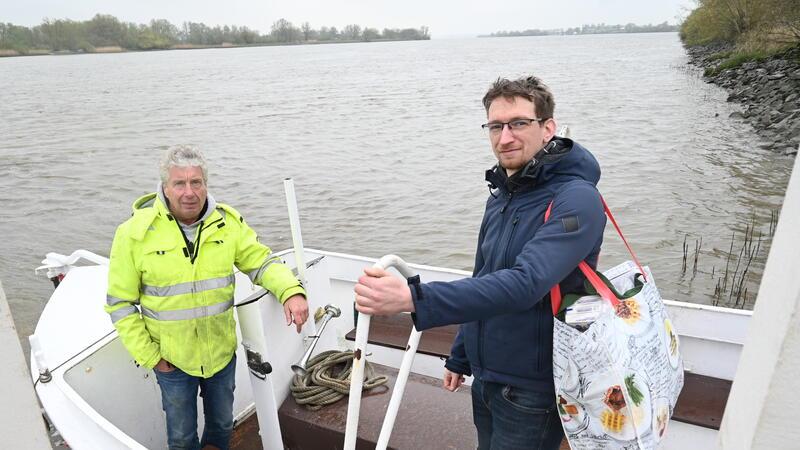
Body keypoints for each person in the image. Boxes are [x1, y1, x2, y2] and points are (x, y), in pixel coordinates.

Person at [354, 76, 606, 449]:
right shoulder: (504, 193)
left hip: (534, 388)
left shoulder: (578, 199)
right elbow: (485, 274)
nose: (505, 138)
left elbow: (526, 283)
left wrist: (413, 298)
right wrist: (461, 354)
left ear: (548, 128)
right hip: (488, 377)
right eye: (496, 126)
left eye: (519, 123)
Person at [105, 145, 308, 450]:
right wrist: (152, 357)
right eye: (180, 183)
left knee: (222, 426)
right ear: (165, 187)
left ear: (206, 184)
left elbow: (261, 263)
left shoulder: (228, 224)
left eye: (196, 182)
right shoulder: (134, 233)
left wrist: (291, 291)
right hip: (172, 361)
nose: (189, 192)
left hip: (221, 355)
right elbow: (119, 303)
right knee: (182, 437)